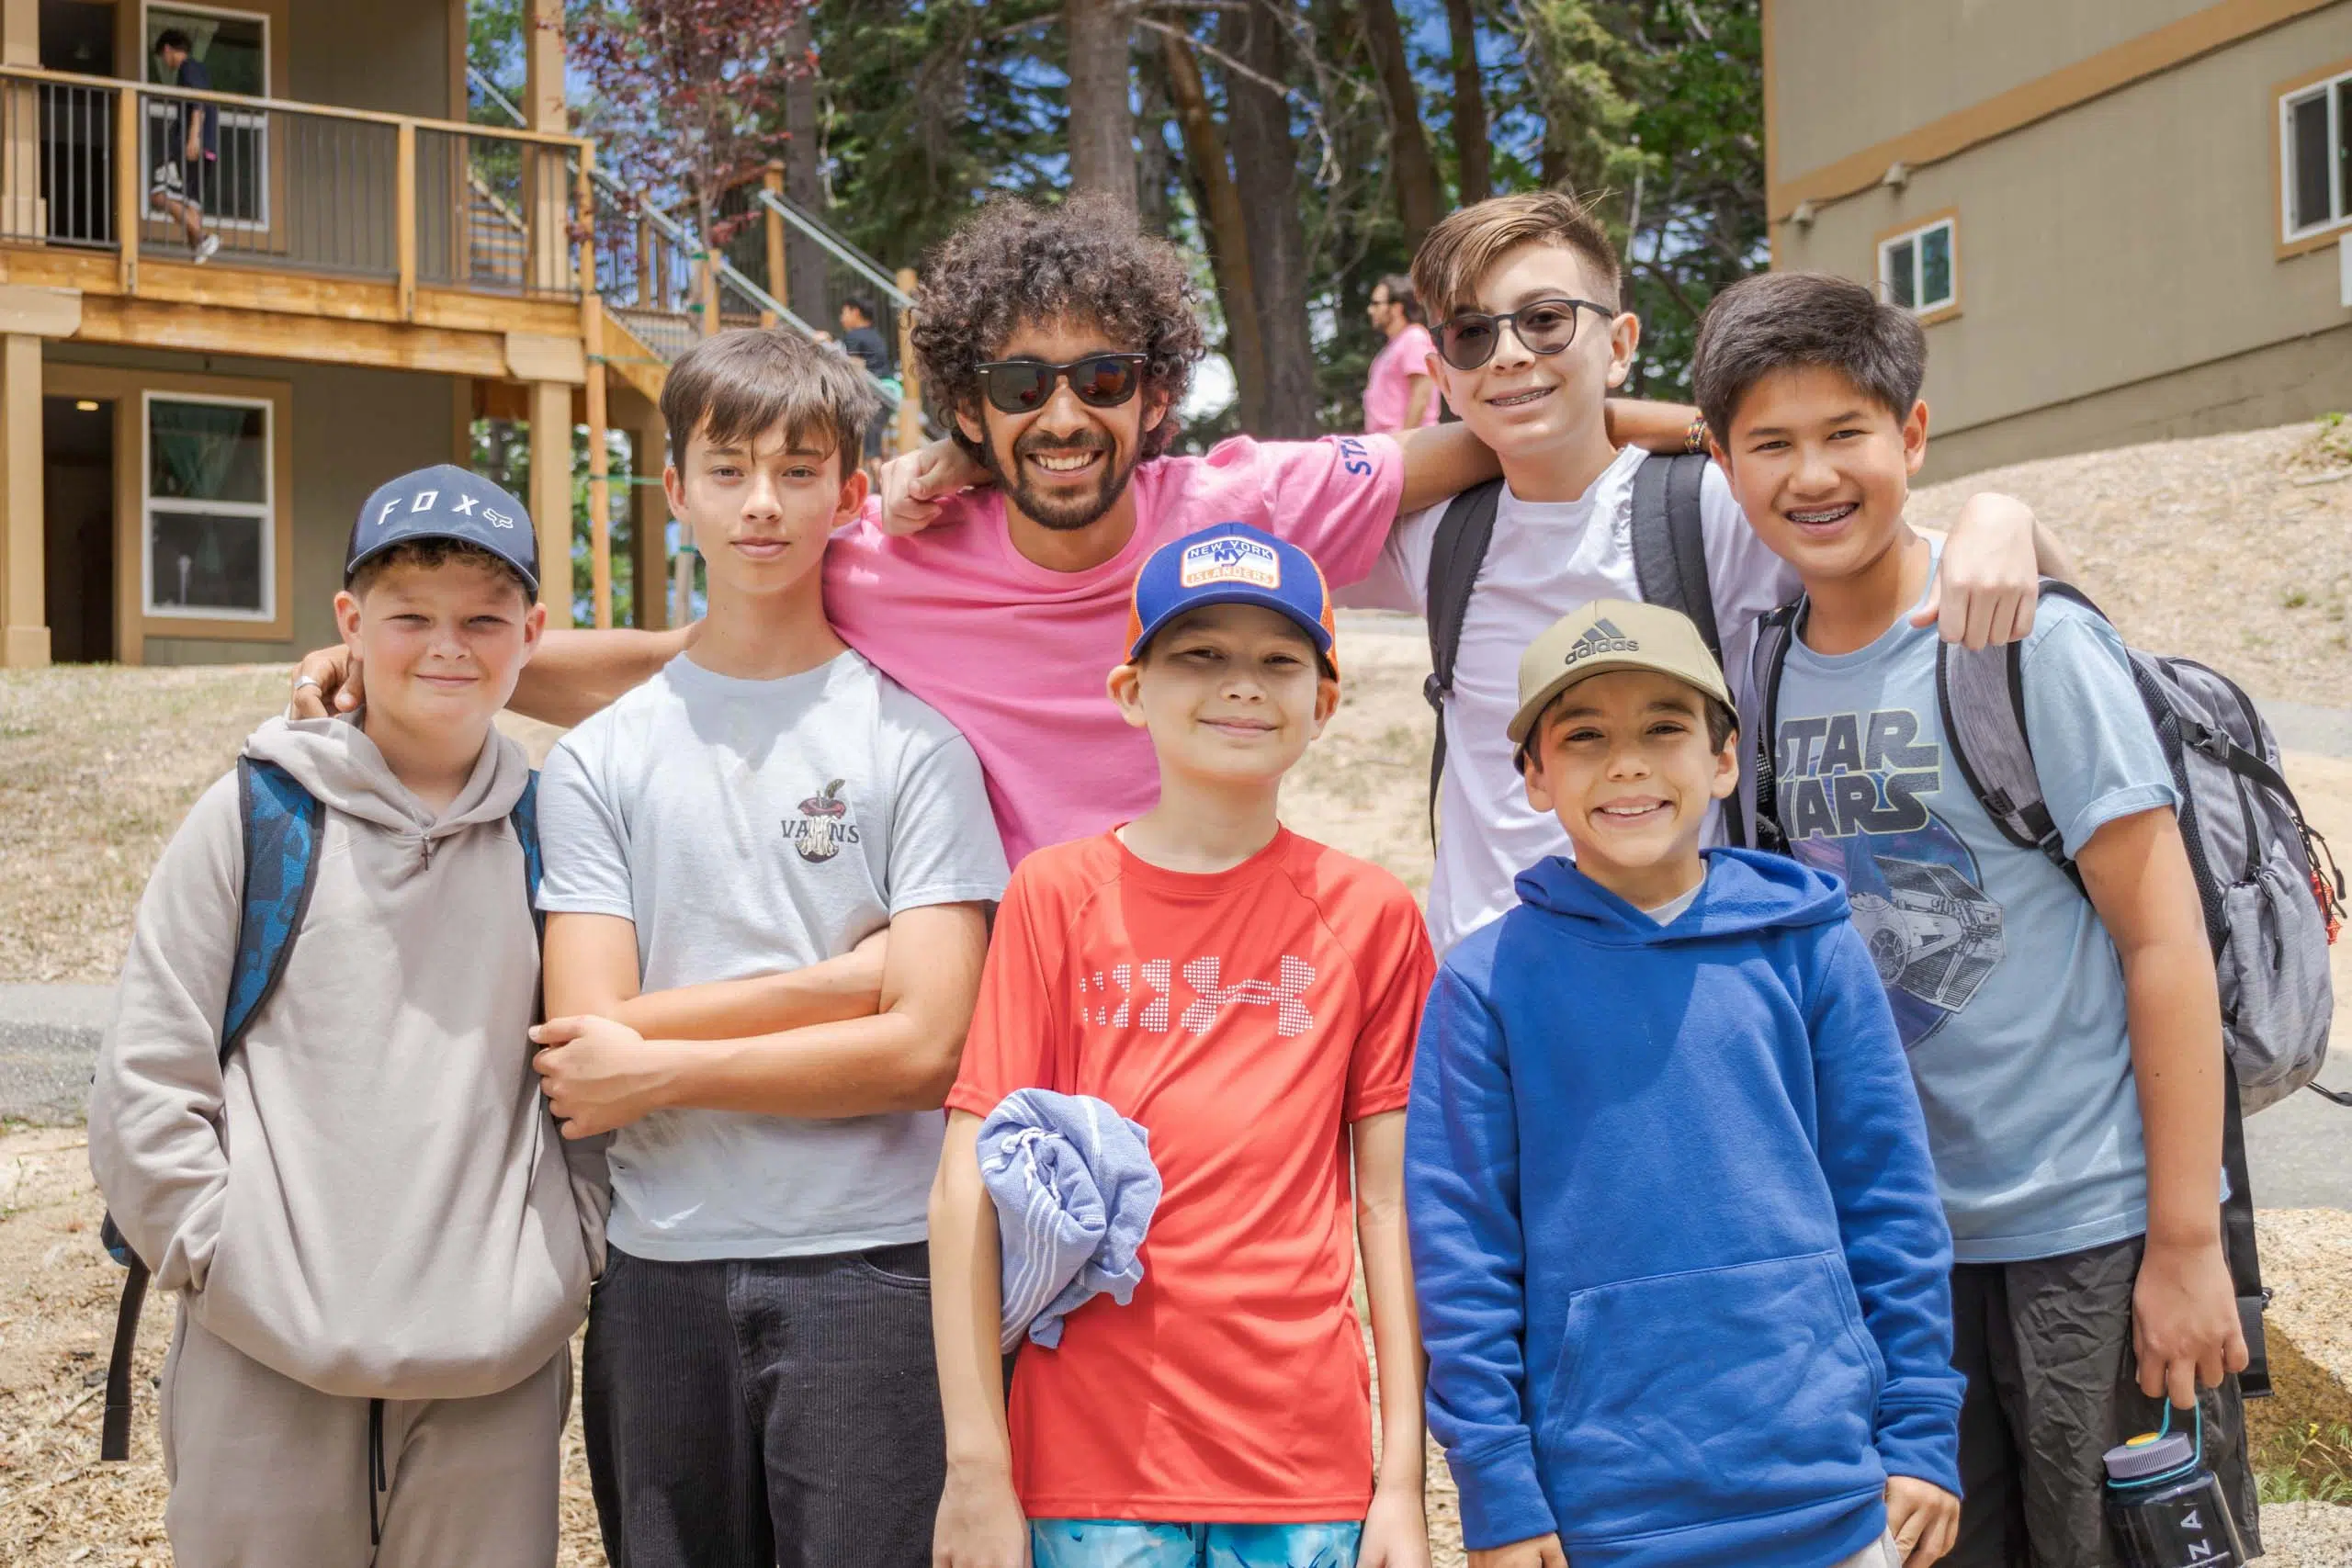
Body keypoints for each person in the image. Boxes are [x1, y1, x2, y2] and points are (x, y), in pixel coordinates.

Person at [288, 195, 1690, 866]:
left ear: (1156, 391)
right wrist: (443, 668)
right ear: (969, 401)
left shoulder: (1242, 509)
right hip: (1003, 1007)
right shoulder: (885, 560)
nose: (1066, 414)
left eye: (1102, 378)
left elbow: (1521, 421)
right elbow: (684, 664)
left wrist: (1709, 430)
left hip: (1213, 991)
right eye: (1022, 385)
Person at [1692, 270, 2256, 1567]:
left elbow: (2162, 940)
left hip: (2090, 1230)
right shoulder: (1762, 669)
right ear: (1722, 463)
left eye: (1846, 432)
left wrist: (2186, 1241)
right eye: (1770, 442)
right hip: (1900, 1245)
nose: (1813, 473)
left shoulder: (2020, 642)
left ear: (1916, 437)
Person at [528, 326, 1009, 1568]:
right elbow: (586, 1046)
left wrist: (668, 1061)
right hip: (657, 1275)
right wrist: (850, 981)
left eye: (800, 470)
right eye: (728, 466)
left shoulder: (917, 746)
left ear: (853, 495)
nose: (761, 502)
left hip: (877, 1269)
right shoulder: (597, 759)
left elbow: (926, 1046)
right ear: (673, 486)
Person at [87, 467, 596, 1565]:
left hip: (491, 1382)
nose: (447, 645)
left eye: (483, 618)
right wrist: (224, 1260)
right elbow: (146, 1075)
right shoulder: (253, 817)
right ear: (351, 625)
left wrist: (566, 1256)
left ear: (533, 633)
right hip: (259, 1363)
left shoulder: (557, 841)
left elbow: (601, 1077)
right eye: (409, 615)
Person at [1341, 191, 2065, 955]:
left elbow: (1941, 562)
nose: (1511, 354)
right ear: (1441, 375)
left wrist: (2005, 514)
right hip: (1492, 1013)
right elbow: (1252, 526)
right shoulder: (1439, 536)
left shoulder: (1708, 509)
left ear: (1620, 345)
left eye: (1546, 320)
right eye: (1471, 335)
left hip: (1690, 993)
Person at [1408, 598, 1963, 1568]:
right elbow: (1464, 1256)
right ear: (1534, 777)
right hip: (1598, 1515)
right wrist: (1495, 1485)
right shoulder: (1483, 985)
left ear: (1722, 759)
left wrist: (1919, 1430)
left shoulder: (1809, 950)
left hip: (1829, 1492)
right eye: (1584, 737)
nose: (1626, 764)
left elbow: (1890, 1202)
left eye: (1663, 729)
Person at [931, 523, 1436, 1568]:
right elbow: (965, 1183)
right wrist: (976, 1469)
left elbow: (1388, 1205)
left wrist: (1399, 1484)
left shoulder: (1372, 915)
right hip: (1089, 1457)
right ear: (1131, 690)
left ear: (1323, 703)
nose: (1240, 685)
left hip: (1303, 1460)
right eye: (1199, 655)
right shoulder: (1054, 898)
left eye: (1277, 660)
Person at [150, 28, 220, 264]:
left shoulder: (188, 68)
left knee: (159, 195)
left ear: (168, 49)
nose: (165, 62)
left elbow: (197, 101)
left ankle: (203, 238)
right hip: (206, 149)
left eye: (162, 56)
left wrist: (193, 138)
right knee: (191, 205)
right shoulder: (199, 69)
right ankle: (198, 251)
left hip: (193, 148)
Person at [1363, 273, 1441, 433]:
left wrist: (1403, 445)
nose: (1370, 310)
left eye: (1376, 304)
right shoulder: (1390, 348)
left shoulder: (1414, 338)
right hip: (1390, 446)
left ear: (1397, 308)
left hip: (1412, 448)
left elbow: (1421, 395)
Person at [839, 297, 895, 468]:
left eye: (844, 312)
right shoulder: (875, 335)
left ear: (855, 312)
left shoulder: (854, 336)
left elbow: (857, 369)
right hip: (889, 390)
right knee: (876, 441)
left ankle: (881, 488)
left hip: (873, 394)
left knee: (871, 451)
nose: (841, 317)